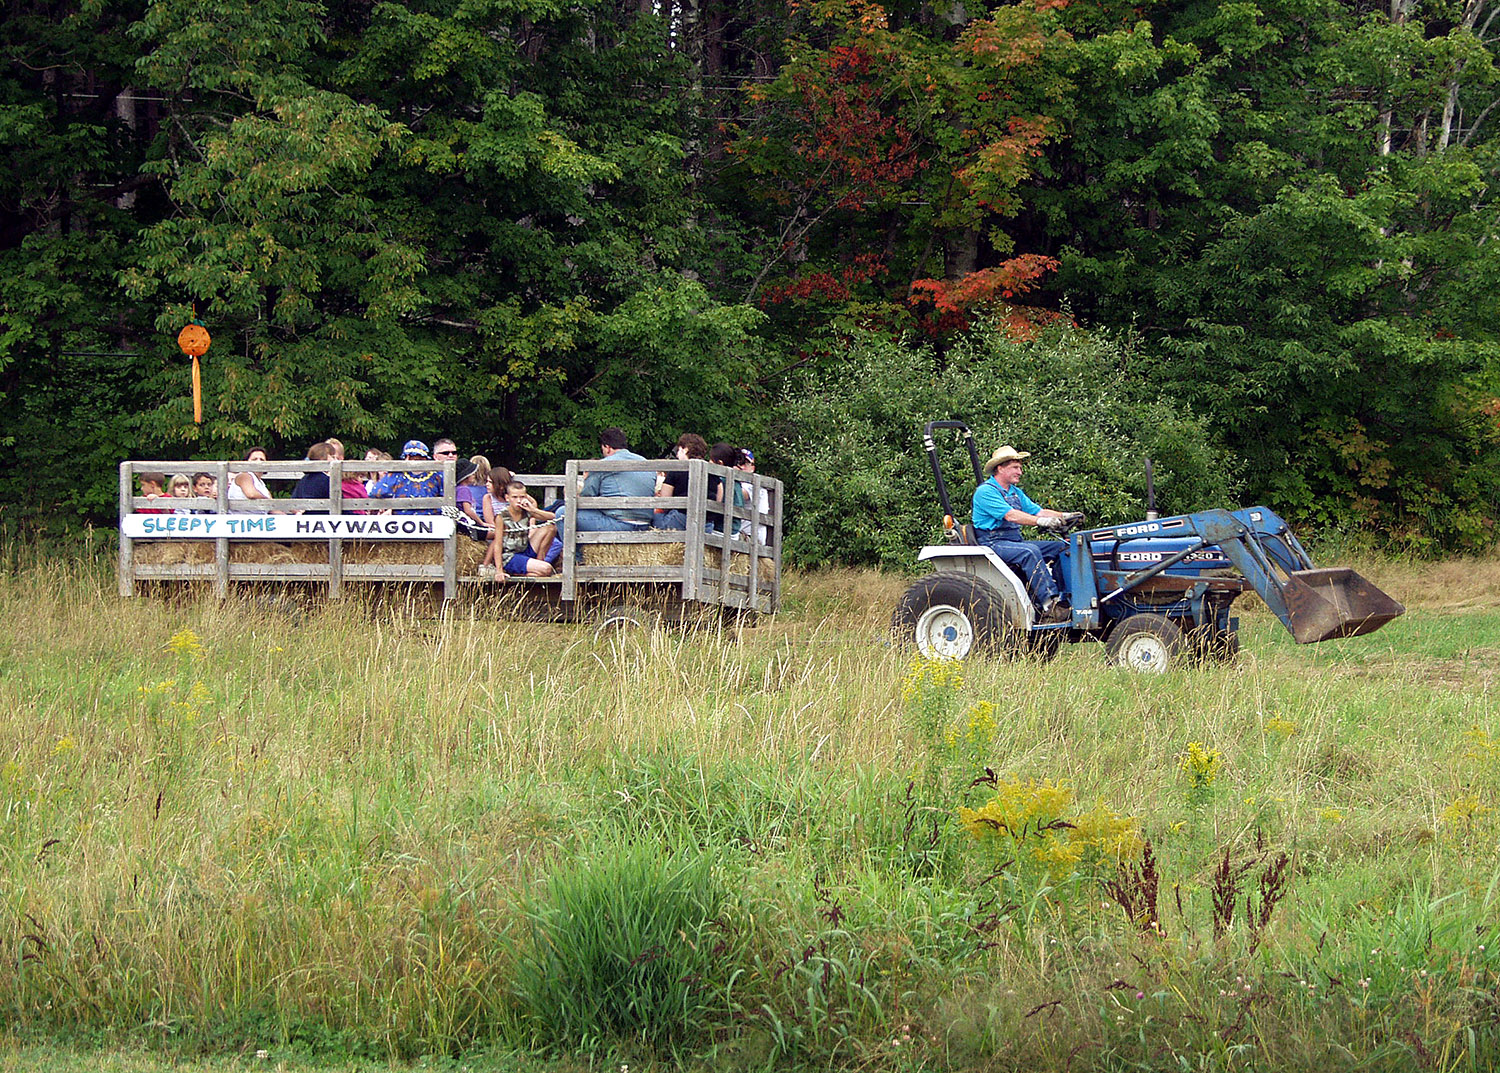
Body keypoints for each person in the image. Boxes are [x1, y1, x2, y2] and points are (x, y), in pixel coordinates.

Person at [970, 445, 1083, 623]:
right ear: (1000, 468)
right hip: (992, 543)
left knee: (1063, 547)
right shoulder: (986, 492)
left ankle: (1066, 599)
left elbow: (1038, 512)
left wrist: (1064, 516)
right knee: (1029, 551)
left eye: (1020, 467)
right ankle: (1049, 605)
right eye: (1015, 467)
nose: (1020, 472)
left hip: (1014, 541)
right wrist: (1040, 522)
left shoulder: (1015, 492)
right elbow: (1011, 515)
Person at [553, 428, 656, 542]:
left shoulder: (601, 465)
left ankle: (577, 558)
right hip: (645, 524)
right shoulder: (646, 463)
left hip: (619, 524)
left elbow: (587, 497)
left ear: (607, 447)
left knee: (562, 513)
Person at [486, 479, 562, 579]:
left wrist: (533, 510)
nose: (518, 500)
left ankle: (539, 562)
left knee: (550, 528)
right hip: (510, 556)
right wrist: (499, 571)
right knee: (547, 569)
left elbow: (554, 517)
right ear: (507, 498)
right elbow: (498, 544)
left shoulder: (526, 510)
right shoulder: (502, 516)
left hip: (525, 549)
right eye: (515, 497)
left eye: (521, 497)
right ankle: (535, 569)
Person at [369, 440, 443, 514]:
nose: (416, 460)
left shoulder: (436, 475)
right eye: (412, 457)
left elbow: (447, 498)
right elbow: (376, 493)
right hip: (402, 520)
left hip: (431, 520)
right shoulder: (397, 474)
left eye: (419, 457)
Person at [653, 432, 707, 530]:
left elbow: (665, 501)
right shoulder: (711, 472)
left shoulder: (677, 470)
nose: (677, 455)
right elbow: (719, 497)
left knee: (655, 516)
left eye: (679, 450)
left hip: (681, 518)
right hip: (706, 523)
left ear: (686, 450)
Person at [706, 442, 746, 534]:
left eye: (710, 461)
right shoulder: (735, 481)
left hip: (722, 530)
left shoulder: (721, 480)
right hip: (734, 531)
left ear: (720, 463)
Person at [291, 441, 337, 511]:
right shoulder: (326, 480)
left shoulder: (304, 480)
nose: (335, 460)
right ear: (322, 458)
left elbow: (293, 503)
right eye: (333, 457)